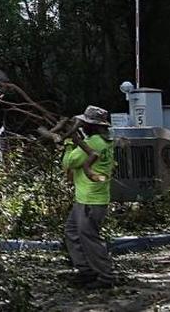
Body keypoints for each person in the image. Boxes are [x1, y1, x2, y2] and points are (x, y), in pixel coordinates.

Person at [62, 105, 116, 289]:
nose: (81, 126)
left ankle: (105, 276)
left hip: (89, 201)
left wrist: (69, 143)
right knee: (72, 232)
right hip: (88, 198)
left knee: (89, 238)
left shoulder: (93, 143)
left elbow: (68, 162)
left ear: (91, 126)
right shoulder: (105, 140)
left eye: (84, 123)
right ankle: (86, 270)